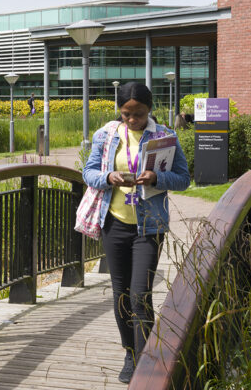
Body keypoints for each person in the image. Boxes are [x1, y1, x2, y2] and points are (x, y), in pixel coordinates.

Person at [82, 82, 190, 383]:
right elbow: (87, 172)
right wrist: (108, 176)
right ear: (120, 110)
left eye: (139, 114)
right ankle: (130, 353)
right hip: (114, 223)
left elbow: (183, 179)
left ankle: (145, 359)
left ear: (149, 109)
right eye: (127, 114)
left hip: (149, 226)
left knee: (140, 295)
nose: (132, 120)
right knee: (122, 294)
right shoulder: (105, 135)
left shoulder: (165, 136)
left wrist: (157, 177)